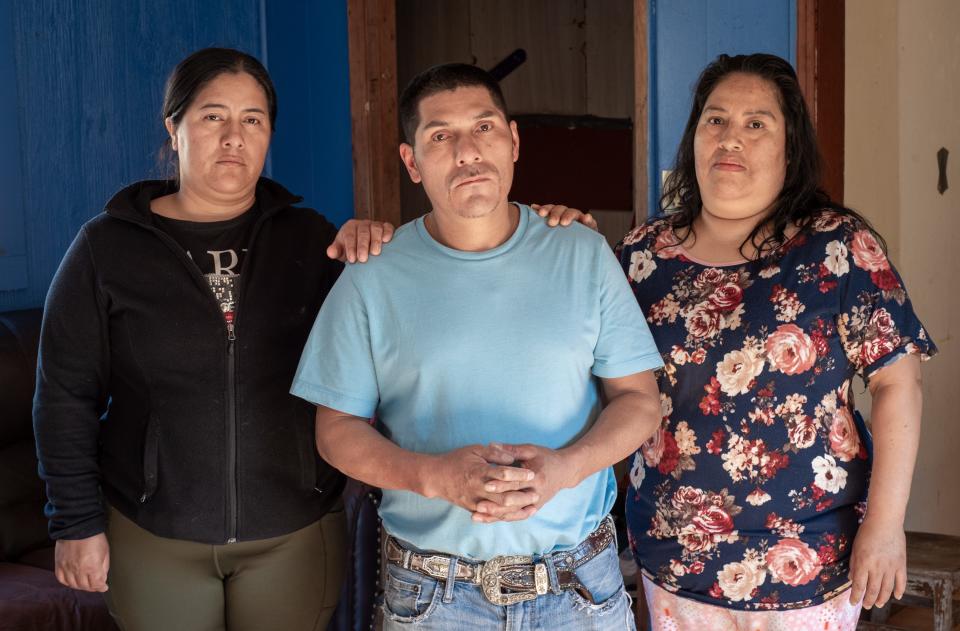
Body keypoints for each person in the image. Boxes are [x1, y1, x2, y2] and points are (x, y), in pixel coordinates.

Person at [32, 47, 594, 631]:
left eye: (252, 119)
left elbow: (417, 309)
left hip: (293, 530)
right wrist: (74, 524)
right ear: (174, 127)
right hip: (154, 528)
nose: (233, 137)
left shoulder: (313, 241)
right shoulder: (107, 248)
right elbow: (64, 396)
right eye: (212, 116)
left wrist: (541, 229)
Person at [291, 63, 664, 630]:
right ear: (411, 162)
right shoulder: (372, 276)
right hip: (433, 596)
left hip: (579, 590)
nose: (467, 150)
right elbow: (335, 429)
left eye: (484, 128)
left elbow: (639, 400)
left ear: (513, 141)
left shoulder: (583, 255)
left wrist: (564, 469)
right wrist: (433, 477)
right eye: (440, 136)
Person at [616, 53, 936, 631]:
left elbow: (897, 384)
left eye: (756, 123)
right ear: (693, 138)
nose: (730, 138)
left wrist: (886, 526)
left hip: (808, 562)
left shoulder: (836, 248)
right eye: (715, 120)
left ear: (789, 150)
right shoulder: (642, 256)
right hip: (675, 560)